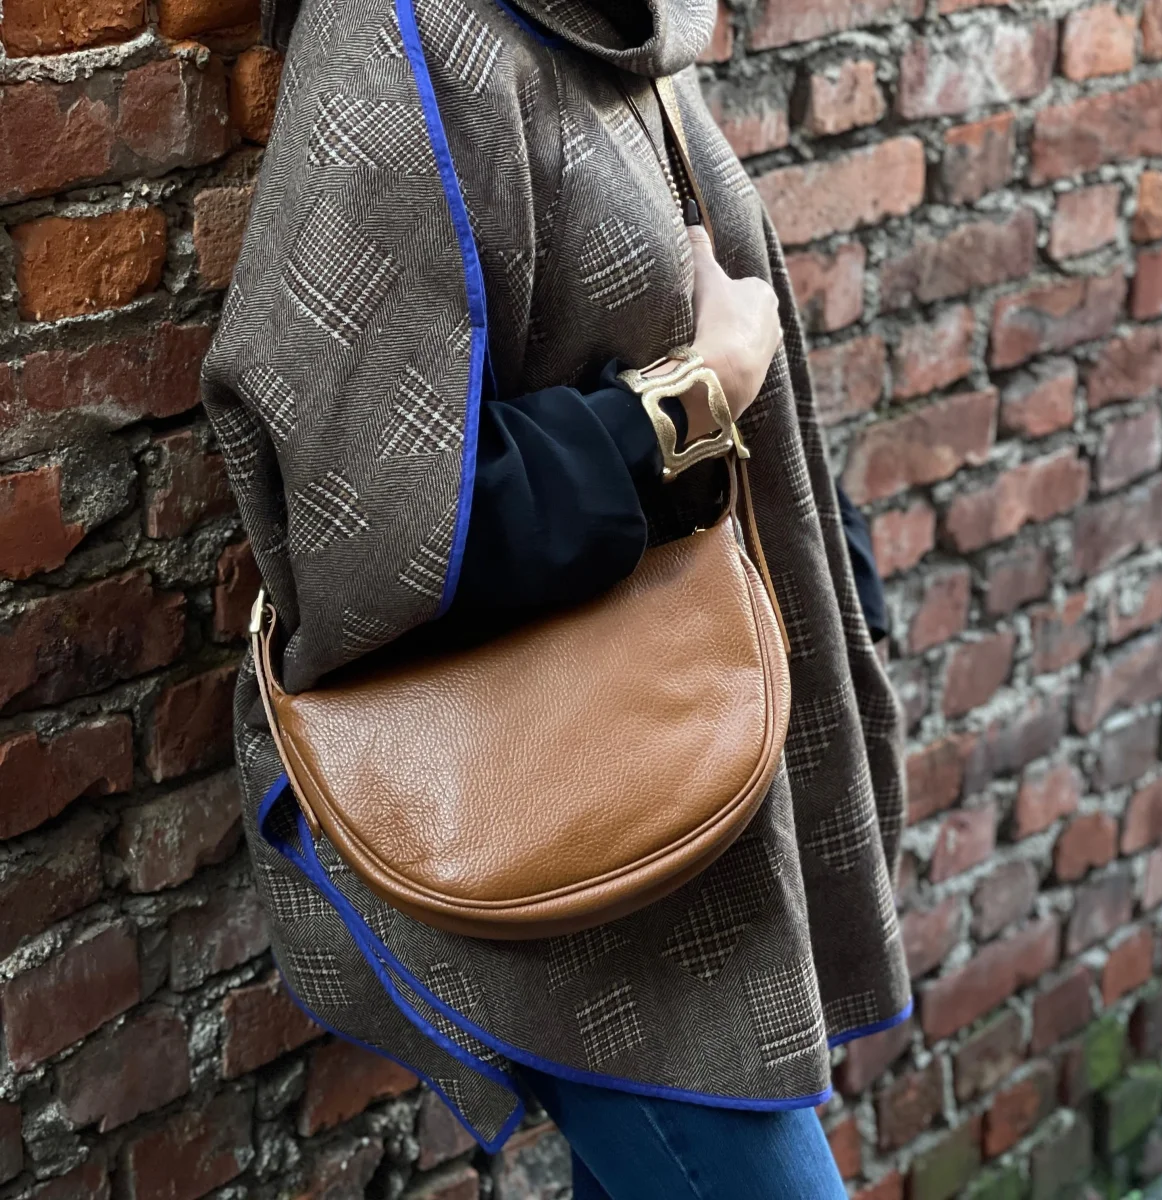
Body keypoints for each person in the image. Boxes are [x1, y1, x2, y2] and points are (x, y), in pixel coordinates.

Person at [202, 1, 911, 1195]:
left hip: (693, 756)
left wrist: (837, 586)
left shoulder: (625, 27)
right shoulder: (400, 38)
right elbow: (359, 516)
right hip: (572, 811)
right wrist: (695, 396)